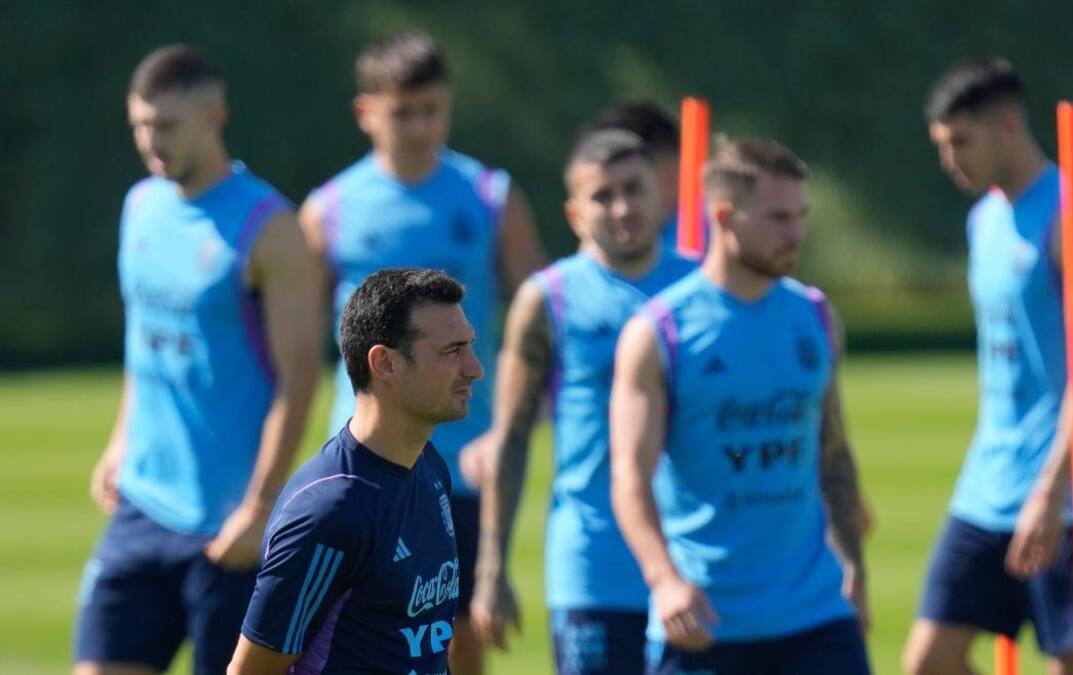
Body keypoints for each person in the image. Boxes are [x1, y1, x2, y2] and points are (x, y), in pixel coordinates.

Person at [298, 30, 545, 674]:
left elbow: (540, 317)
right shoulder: (329, 210)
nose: (417, 127)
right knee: (355, 630)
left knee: (456, 635)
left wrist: (522, 415)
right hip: (363, 460)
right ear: (366, 112)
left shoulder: (489, 197)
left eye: (431, 110)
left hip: (465, 458)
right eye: (401, 112)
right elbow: (294, 343)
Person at [74, 44, 321, 675]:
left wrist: (260, 509)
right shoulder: (140, 206)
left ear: (214, 118)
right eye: (140, 125)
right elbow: (144, 344)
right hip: (141, 507)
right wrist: (120, 441)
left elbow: (298, 379)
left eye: (166, 125)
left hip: (228, 526)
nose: (150, 141)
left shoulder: (270, 228)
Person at [610, 136, 872, 675]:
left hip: (816, 617)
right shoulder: (660, 333)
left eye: (800, 216)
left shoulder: (815, 317)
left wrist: (855, 567)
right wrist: (664, 581)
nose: (795, 233)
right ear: (724, 217)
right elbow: (630, 478)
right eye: (778, 218)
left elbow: (832, 452)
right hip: (706, 622)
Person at [903, 57, 1073, 675]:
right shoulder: (983, 219)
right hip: (988, 484)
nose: (950, 159)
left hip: (1070, 491)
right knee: (927, 661)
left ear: (1007, 124)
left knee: (1070, 666)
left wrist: (1052, 491)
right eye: (941, 145)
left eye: (961, 141)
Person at [470, 129, 695, 674]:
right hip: (592, 568)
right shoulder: (548, 299)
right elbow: (510, 439)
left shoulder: (700, 289)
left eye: (634, 189)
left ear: (661, 196)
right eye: (603, 195)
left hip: (692, 561)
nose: (623, 207)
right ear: (574, 214)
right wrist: (492, 568)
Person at [229, 268, 481, 673]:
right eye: (451, 351)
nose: (474, 368)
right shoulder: (331, 512)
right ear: (385, 363)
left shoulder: (429, 467)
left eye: (469, 346)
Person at [584, 100, 682, 250]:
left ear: (670, 175)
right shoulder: (598, 249)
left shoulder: (713, 235)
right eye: (604, 196)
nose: (622, 210)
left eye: (633, 188)